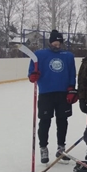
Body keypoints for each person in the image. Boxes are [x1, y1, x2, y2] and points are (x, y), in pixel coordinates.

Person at [27, 29, 77, 164]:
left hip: (63, 94)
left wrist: (72, 88)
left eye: (60, 42)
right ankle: (43, 147)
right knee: (45, 121)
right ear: (50, 42)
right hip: (46, 94)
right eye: (55, 41)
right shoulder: (39, 55)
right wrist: (33, 75)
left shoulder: (68, 56)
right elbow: (32, 72)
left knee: (62, 121)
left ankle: (61, 148)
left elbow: (72, 73)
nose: (58, 44)